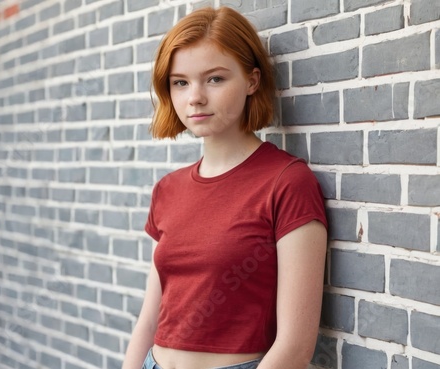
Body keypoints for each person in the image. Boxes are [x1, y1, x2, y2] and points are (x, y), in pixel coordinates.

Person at [122, 6, 328, 369]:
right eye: (180, 82)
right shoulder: (167, 190)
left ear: (251, 81)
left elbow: (295, 346)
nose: (195, 97)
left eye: (214, 79)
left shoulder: (286, 182)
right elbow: (150, 318)